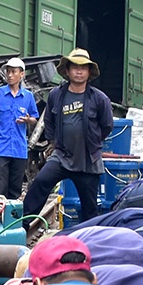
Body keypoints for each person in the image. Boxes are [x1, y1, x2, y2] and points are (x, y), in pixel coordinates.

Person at [23, 49, 115, 226]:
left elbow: (107, 126)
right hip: (62, 156)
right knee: (40, 183)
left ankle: (90, 241)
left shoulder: (99, 98)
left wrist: (93, 142)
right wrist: (53, 142)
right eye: (75, 67)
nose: (79, 71)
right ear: (67, 70)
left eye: (83, 68)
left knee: (89, 208)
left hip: (88, 159)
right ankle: (22, 225)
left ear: (89, 72)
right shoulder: (56, 95)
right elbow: (48, 120)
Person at [0, 57, 39, 201]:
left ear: (22, 74)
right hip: (0, 149)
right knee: (0, 191)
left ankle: (12, 221)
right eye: (8, 72)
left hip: (19, 150)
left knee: (15, 191)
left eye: (14, 72)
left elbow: (34, 118)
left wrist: (27, 120)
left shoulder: (28, 97)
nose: (10, 75)